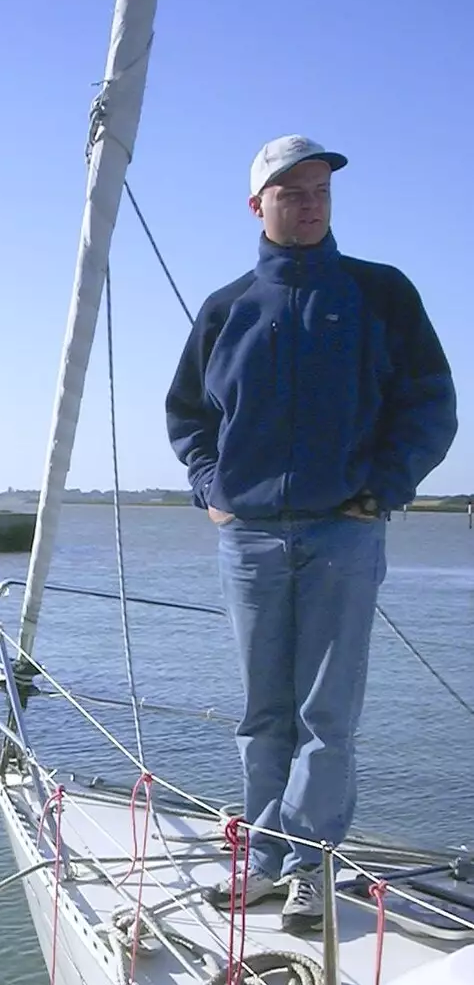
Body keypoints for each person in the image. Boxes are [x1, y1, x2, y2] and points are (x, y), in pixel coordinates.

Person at [166, 135, 457, 932]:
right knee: (265, 711)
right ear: (257, 204)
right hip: (250, 537)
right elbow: (188, 416)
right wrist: (209, 489)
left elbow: (430, 406)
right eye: (292, 191)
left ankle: (310, 867)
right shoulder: (227, 309)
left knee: (327, 716)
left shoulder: (380, 293)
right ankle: (262, 858)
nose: (310, 202)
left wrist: (383, 490)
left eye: (321, 189)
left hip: (344, 533)